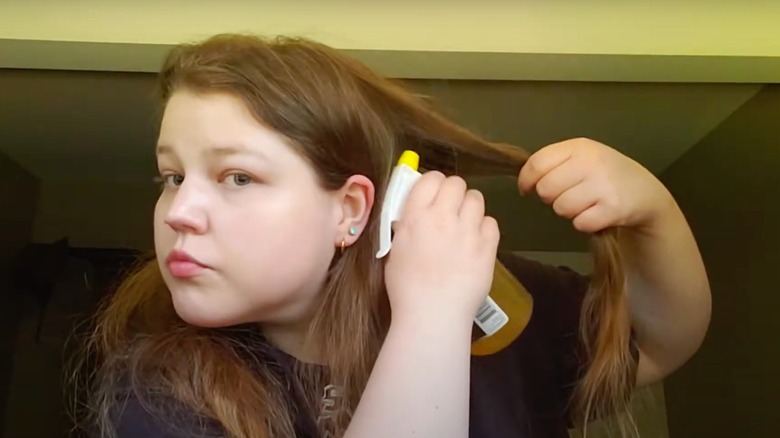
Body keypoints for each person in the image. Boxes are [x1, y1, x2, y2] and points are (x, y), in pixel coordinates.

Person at [72, 33, 711, 438]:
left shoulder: (492, 306)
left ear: (351, 209)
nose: (180, 210)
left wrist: (655, 213)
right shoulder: (162, 390)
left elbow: (650, 348)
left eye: (237, 176)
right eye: (172, 176)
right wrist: (429, 316)